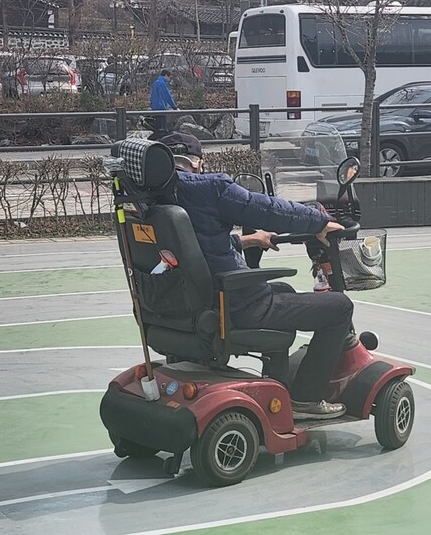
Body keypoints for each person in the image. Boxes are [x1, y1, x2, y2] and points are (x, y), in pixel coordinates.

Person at [158, 132, 352, 421]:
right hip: (233, 304)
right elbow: (265, 208)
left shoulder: (152, 195)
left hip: (183, 304)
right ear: (197, 162)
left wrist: (247, 241)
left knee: (283, 287)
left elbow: (192, 247)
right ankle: (306, 398)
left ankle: (276, 389)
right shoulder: (208, 187)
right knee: (339, 307)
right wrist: (320, 222)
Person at [150, 70, 178, 135]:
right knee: (162, 128)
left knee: (157, 127)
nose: (169, 79)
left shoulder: (155, 83)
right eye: (169, 77)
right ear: (166, 75)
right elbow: (167, 96)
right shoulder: (162, 84)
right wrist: (174, 106)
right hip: (161, 107)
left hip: (155, 107)